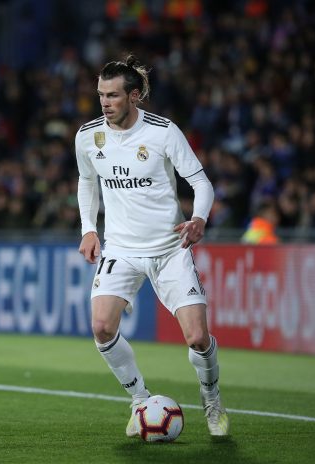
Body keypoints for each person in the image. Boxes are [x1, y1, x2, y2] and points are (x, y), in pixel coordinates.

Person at [75, 55, 229, 437]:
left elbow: (202, 184)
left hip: (168, 249)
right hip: (121, 249)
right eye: (100, 95)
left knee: (196, 337)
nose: (105, 103)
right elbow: (86, 181)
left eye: (112, 95)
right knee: (101, 326)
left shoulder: (163, 133)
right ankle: (140, 400)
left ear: (135, 96)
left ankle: (211, 399)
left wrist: (199, 220)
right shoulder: (87, 136)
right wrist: (88, 229)